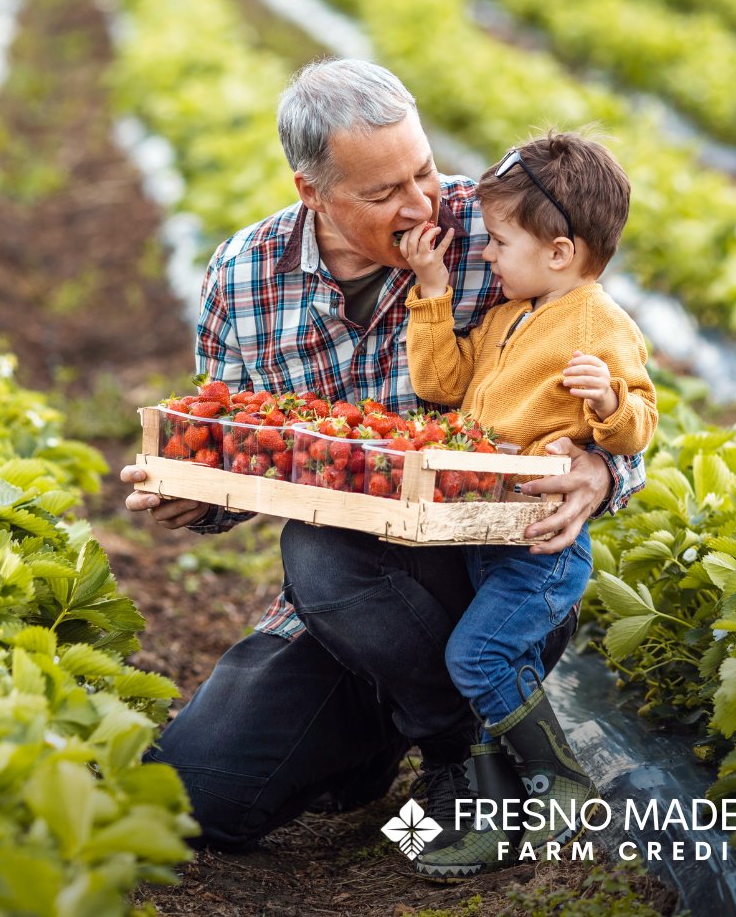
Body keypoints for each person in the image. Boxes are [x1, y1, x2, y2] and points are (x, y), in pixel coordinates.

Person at [119, 59, 645, 855]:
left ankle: (456, 755)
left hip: (481, 572)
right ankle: (388, 741)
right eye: (383, 193)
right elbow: (240, 455)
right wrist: (197, 496)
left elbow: (607, 369)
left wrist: (606, 470)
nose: (422, 202)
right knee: (195, 800)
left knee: (319, 543)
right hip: (339, 612)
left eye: (425, 170)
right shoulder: (244, 276)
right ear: (312, 193)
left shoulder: (502, 231)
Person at [394, 131, 656, 878]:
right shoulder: (513, 315)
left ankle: (563, 783)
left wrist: (606, 403)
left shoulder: (598, 325)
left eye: (498, 242)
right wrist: (435, 292)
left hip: (540, 545)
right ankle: (496, 816)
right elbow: (443, 386)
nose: (486, 254)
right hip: (487, 534)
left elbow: (640, 421)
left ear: (561, 252)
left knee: (476, 659)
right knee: (492, 675)